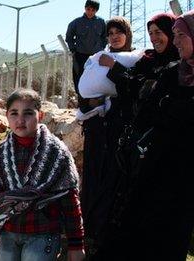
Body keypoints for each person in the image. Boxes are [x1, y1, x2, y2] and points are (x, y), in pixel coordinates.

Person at [96, 11, 194, 261]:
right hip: (152, 164)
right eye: (175, 35)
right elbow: (145, 105)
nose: (177, 40)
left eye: (181, 35)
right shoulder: (173, 72)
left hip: (184, 177)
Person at [0, 89, 85, 261]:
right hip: (9, 232)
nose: (20, 120)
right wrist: (5, 198)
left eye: (28, 113)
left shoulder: (57, 154)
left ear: (41, 115)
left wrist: (76, 244)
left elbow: (70, 199)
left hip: (43, 234)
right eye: (14, 113)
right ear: (7, 116)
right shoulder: (1, 153)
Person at [78, 17, 134, 253]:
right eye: (110, 33)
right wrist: (92, 101)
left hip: (120, 133)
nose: (114, 37)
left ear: (127, 34)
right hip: (97, 130)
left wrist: (114, 67)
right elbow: (83, 93)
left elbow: (133, 90)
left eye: (119, 32)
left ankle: (106, 237)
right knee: (92, 178)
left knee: (113, 180)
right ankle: (88, 234)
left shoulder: (136, 60)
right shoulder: (95, 61)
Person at [66, 0, 106, 97]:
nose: (90, 12)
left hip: (96, 57)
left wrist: (101, 48)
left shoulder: (101, 22)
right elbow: (69, 37)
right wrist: (73, 49)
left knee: (96, 78)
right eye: (88, 9)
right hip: (80, 55)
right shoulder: (76, 22)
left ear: (96, 11)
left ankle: (94, 100)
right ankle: (81, 99)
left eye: (93, 10)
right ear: (85, 8)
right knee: (79, 78)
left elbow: (105, 37)